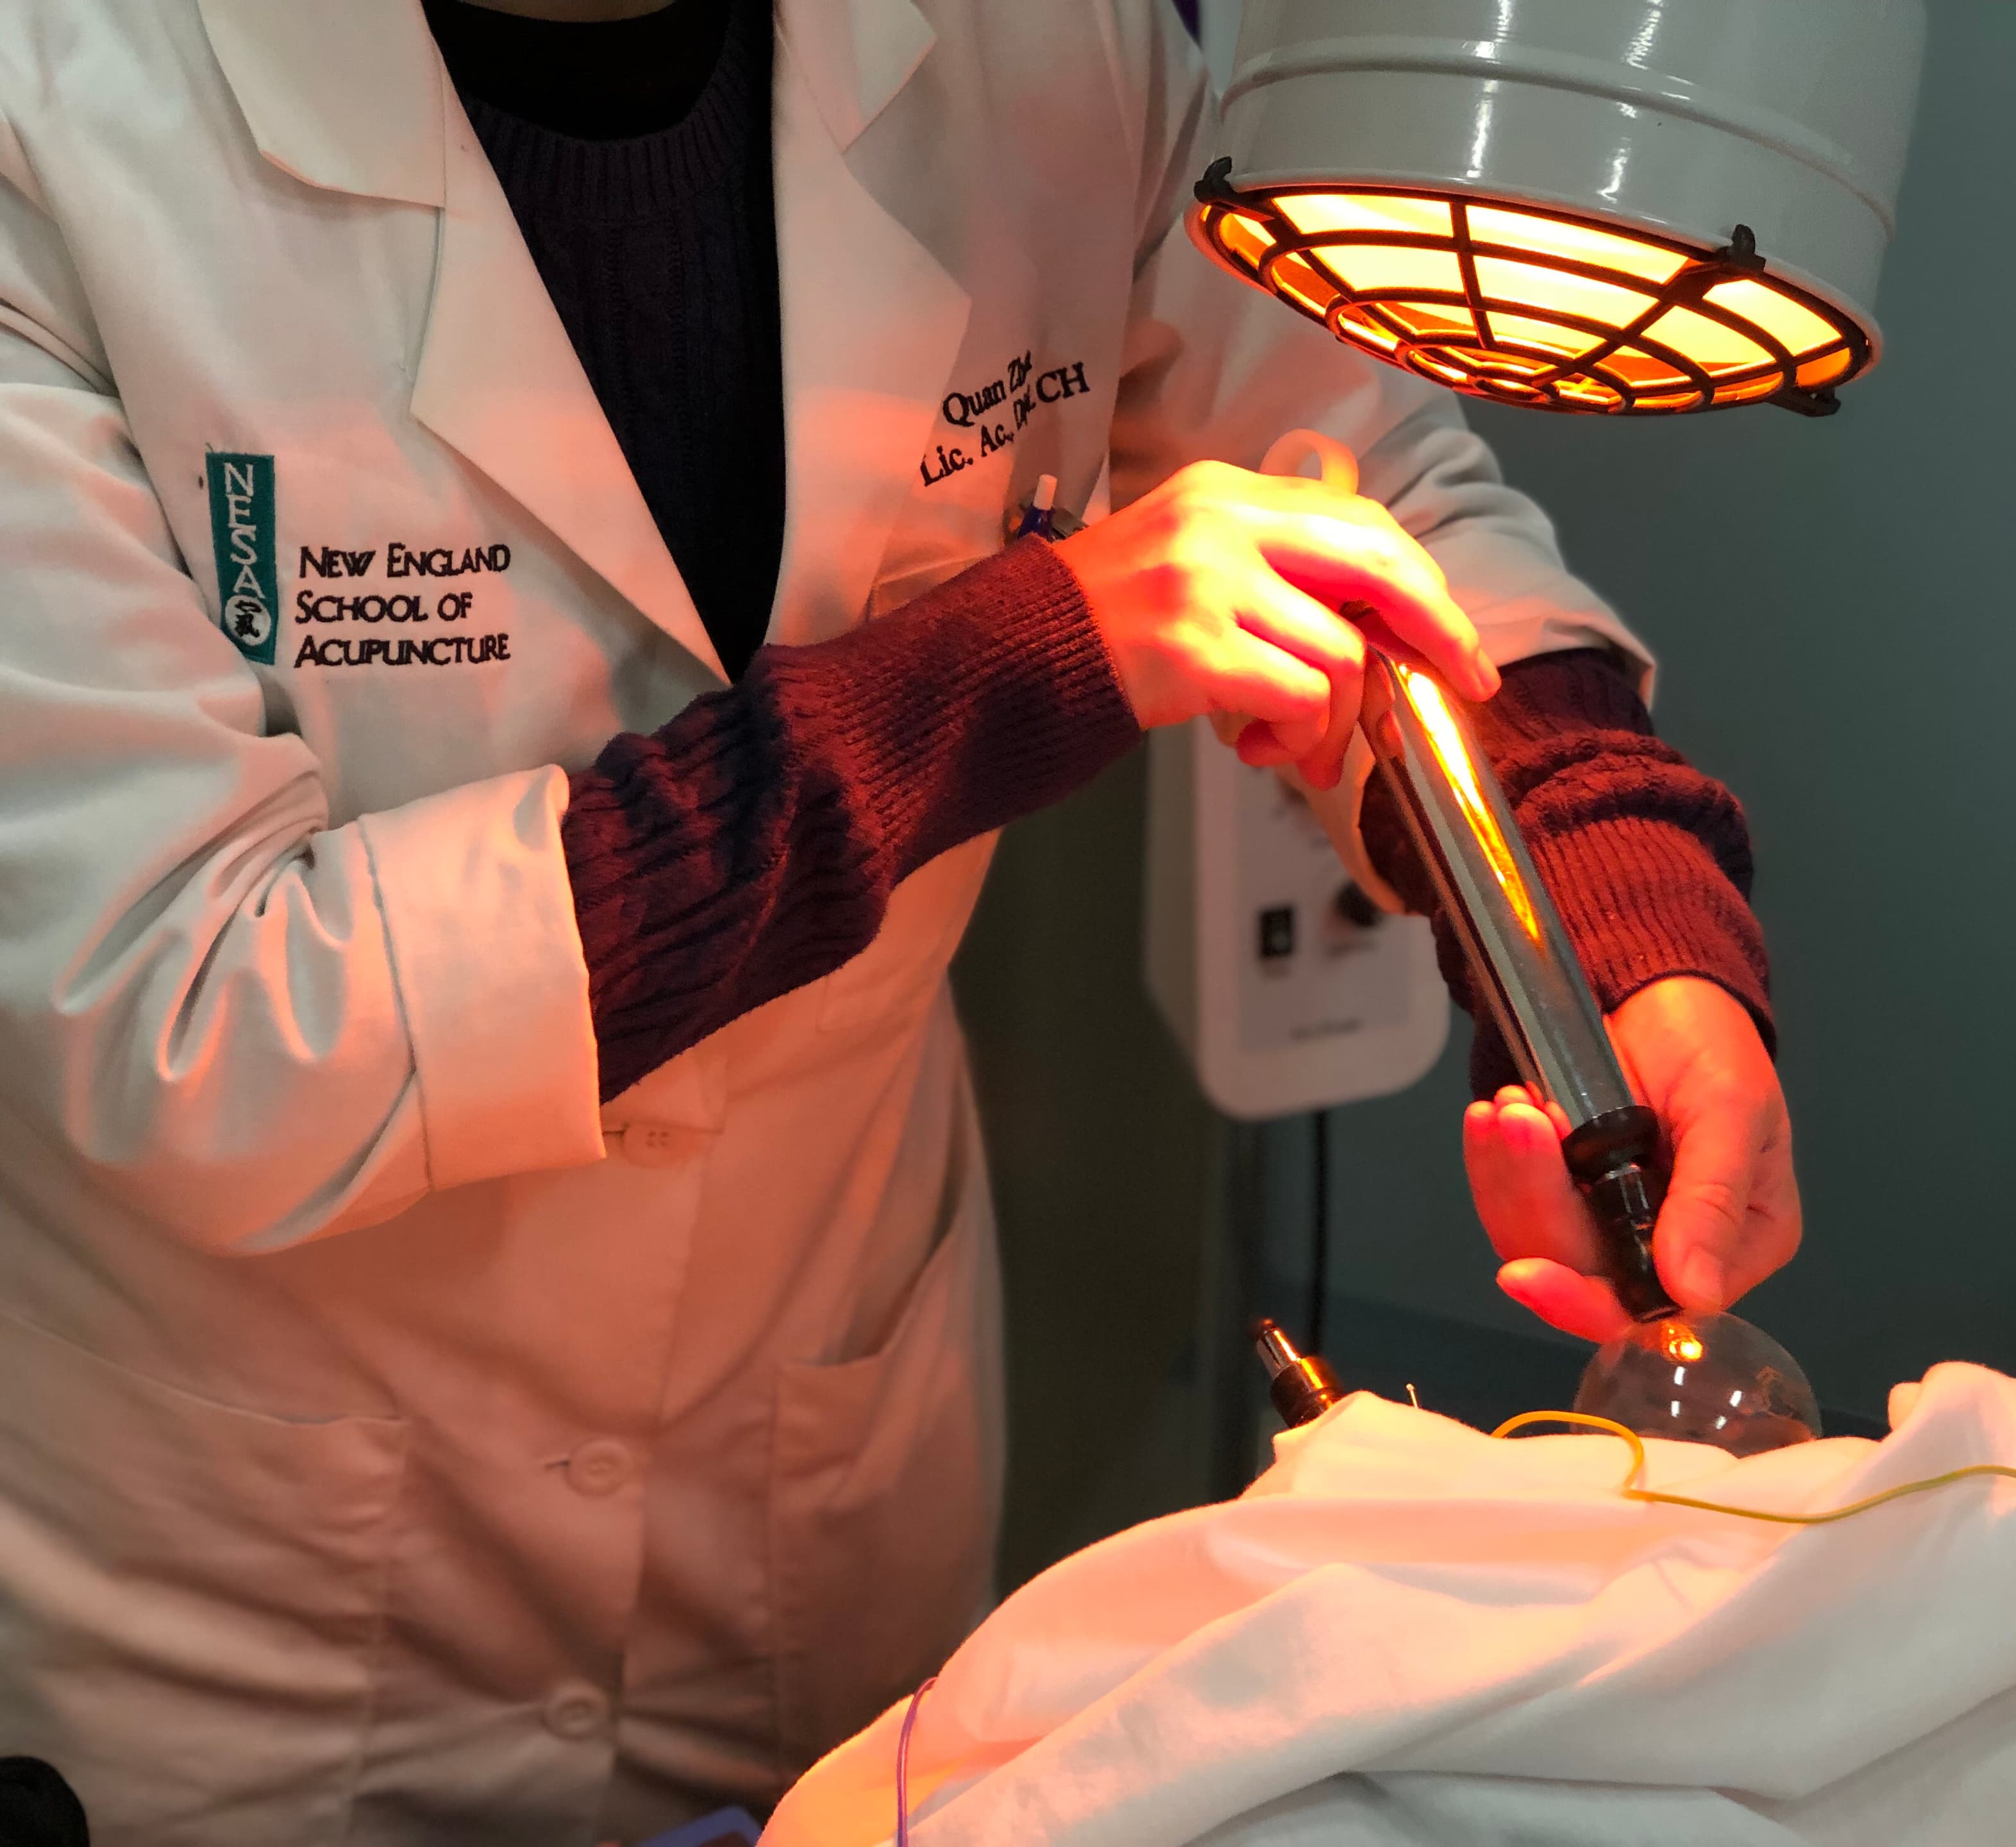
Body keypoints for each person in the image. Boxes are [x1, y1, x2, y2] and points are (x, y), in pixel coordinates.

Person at [0, 0, 1797, 1837]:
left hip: (801, 1501)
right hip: (246, 1598)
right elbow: (197, 1021)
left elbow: (1371, 485)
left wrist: (1615, 925)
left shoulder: (1044, 44)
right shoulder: (49, 119)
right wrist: (1004, 675)